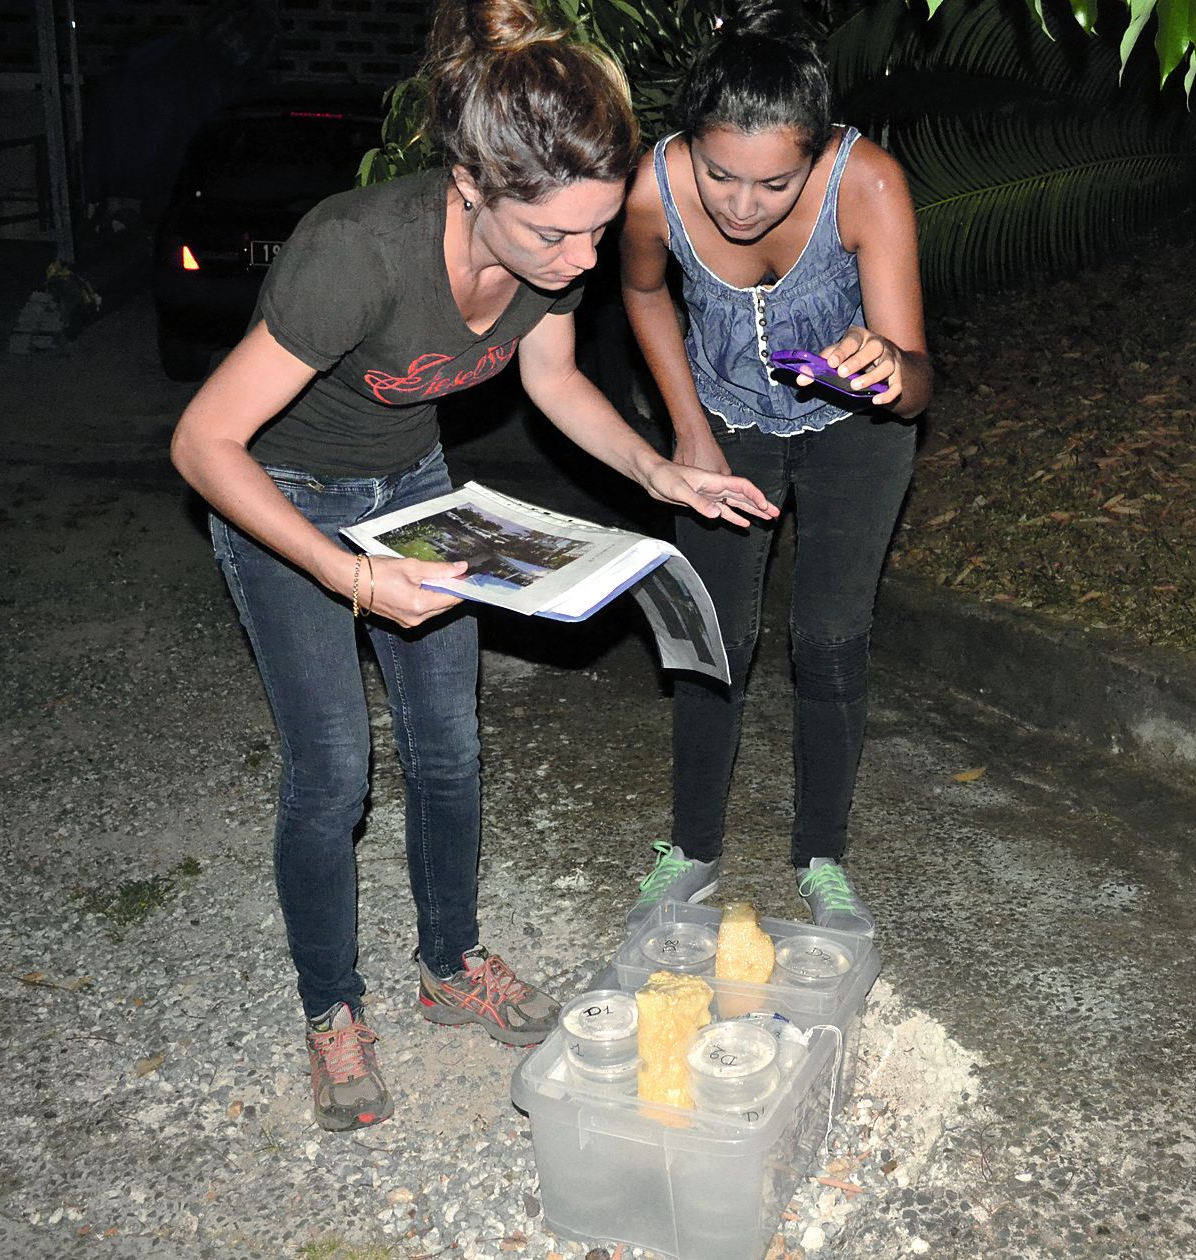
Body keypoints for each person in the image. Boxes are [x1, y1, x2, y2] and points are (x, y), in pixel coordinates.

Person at [170, 0, 776, 1133]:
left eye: (597, 232)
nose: (583, 259)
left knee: (449, 748)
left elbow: (552, 381)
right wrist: (348, 579)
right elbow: (204, 443)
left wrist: (661, 471)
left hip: (418, 495)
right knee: (333, 772)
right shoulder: (355, 255)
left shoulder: (557, 245)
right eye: (557, 235)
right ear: (469, 188)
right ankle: (330, 1008)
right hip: (285, 501)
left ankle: (450, 961)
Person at [618, 0, 933, 936]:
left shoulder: (865, 182)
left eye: (774, 183)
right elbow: (641, 295)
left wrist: (889, 374)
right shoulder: (656, 189)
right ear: (690, 144)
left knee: (830, 639)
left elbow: (918, 386)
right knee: (712, 635)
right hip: (725, 422)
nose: (742, 204)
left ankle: (823, 856)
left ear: (815, 153)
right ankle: (692, 847)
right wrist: (688, 429)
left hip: (854, 434)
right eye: (721, 173)